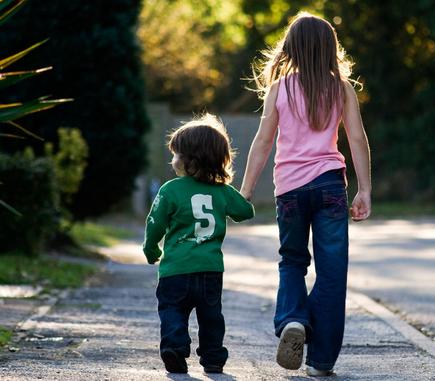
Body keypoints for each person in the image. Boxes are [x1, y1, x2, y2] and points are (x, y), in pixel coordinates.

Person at [240, 12, 372, 377]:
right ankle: (321, 361)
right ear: (330, 48)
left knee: (293, 261)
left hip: (291, 190)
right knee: (332, 272)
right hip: (330, 185)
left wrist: (245, 192)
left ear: (291, 49)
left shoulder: (280, 88)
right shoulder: (341, 88)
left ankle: (294, 319)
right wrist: (365, 190)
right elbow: (357, 139)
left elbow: (264, 141)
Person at [143, 114, 255, 374]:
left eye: (176, 154)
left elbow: (155, 223)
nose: (173, 160)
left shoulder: (170, 190)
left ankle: (174, 347)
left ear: (188, 160)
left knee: (172, 309)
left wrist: (151, 249)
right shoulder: (222, 191)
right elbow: (245, 212)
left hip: (175, 270)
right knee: (211, 316)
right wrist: (236, 194)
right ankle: (214, 357)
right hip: (210, 270)